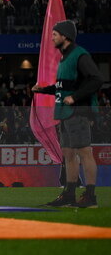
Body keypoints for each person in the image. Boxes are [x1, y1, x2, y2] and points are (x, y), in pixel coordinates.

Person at [32, 20, 106, 208]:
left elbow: (97, 80)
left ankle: (90, 197)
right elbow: (63, 87)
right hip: (65, 113)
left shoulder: (80, 55)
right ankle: (69, 194)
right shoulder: (65, 58)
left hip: (78, 112)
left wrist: (75, 97)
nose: (52, 37)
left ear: (65, 36)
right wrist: (43, 90)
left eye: (55, 34)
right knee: (68, 154)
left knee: (85, 152)